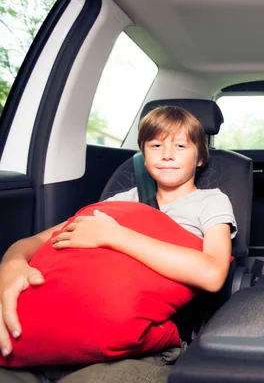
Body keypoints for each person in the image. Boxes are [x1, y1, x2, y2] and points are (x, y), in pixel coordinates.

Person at [0, 105, 237, 382]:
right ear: (143, 154)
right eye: (156, 144)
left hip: (138, 345)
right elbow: (35, 242)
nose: (167, 154)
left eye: (181, 146)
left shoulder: (211, 201)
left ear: (200, 157)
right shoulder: (119, 201)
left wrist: (114, 235)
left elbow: (212, 274)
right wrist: (11, 263)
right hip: (68, 321)